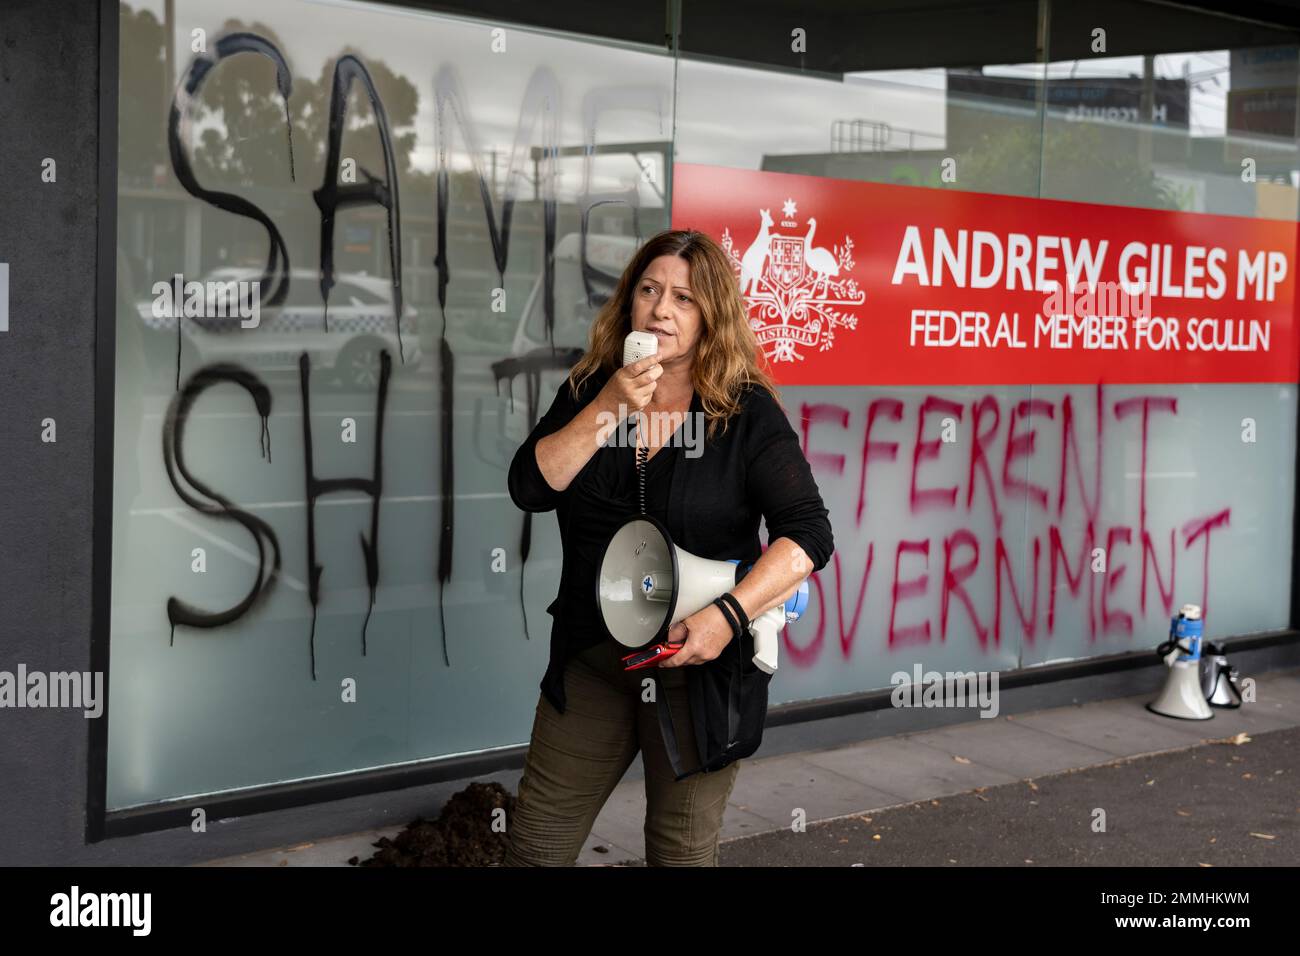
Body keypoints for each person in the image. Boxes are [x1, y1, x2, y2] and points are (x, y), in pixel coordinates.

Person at [502, 228, 834, 866]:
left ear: (711, 315)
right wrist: (609, 406)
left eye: (684, 298)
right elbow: (531, 487)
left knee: (679, 855)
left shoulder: (743, 413)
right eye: (649, 291)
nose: (660, 310)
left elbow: (808, 535)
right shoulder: (593, 390)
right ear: (629, 300)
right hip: (595, 662)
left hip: (698, 665)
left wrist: (727, 617)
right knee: (535, 850)